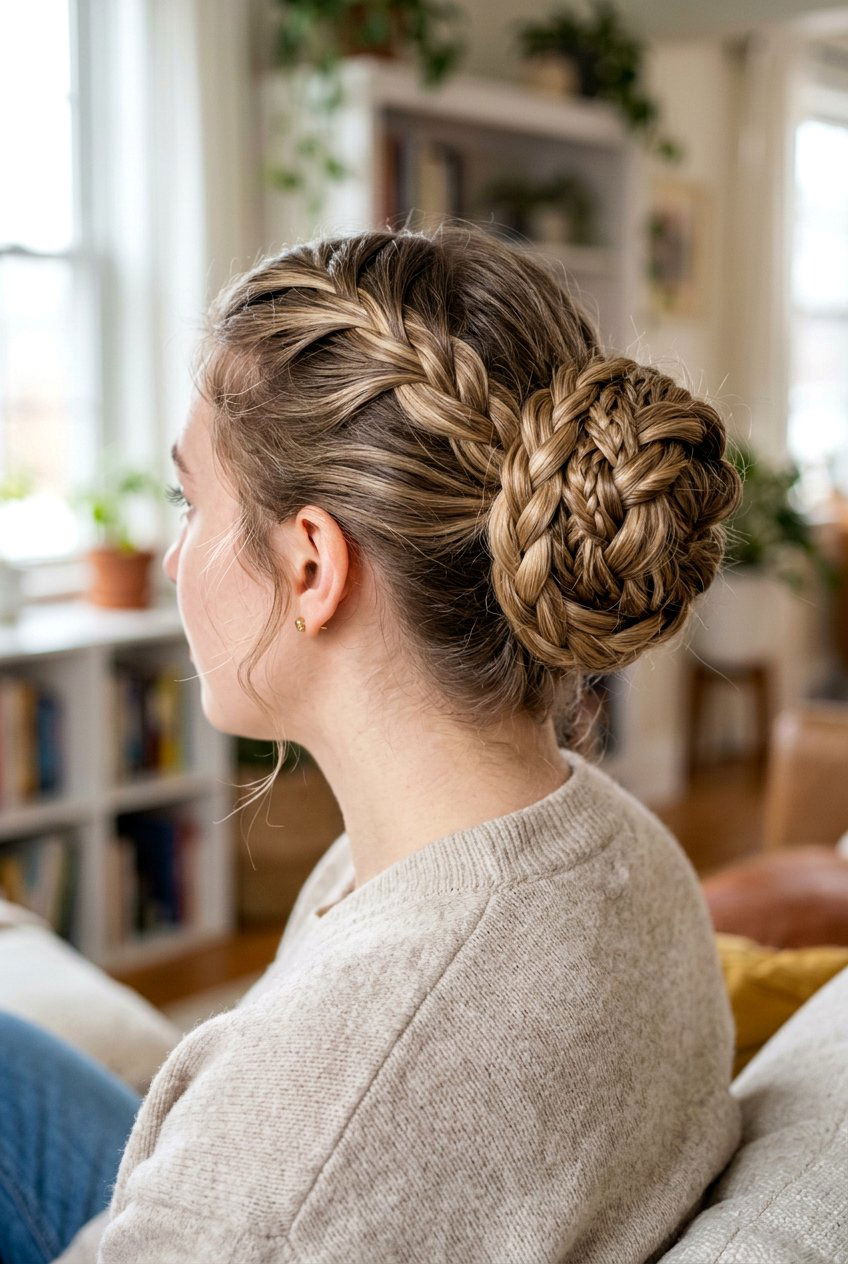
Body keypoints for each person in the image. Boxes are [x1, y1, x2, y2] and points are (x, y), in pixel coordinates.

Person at [5, 221, 744, 1264]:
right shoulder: (616, 841)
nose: (173, 559)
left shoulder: (286, 1156)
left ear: (312, 566)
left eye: (190, 502)